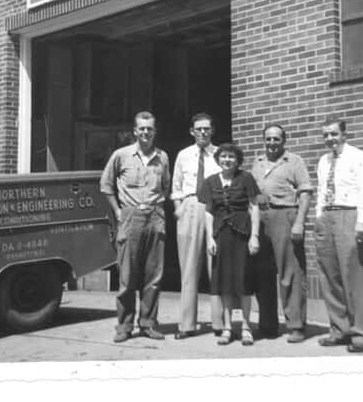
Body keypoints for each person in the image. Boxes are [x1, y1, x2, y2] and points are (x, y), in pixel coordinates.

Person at [100, 111, 171, 343]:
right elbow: (106, 185)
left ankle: (148, 323)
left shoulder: (163, 157)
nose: (146, 132)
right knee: (128, 276)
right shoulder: (121, 155)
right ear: (135, 131)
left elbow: (166, 187)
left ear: (155, 131)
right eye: (141, 128)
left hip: (155, 216)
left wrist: (157, 208)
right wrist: (119, 211)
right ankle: (124, 326)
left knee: (154, 276)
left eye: (149, 128)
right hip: (130, 217)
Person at [314, 117, 363, 353]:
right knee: (330, 275)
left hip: (350, 216)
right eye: (326, 135)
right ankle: (339, 330)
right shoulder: (323, 161)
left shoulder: (359, 157)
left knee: (356, 277)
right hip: (327, 218)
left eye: (334, 134)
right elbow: (322, 190)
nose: (330, 139)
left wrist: (362, 222)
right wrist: (319, 217)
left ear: (344, 134)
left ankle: (361, 334)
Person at [250, 123, 313, 343]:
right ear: (263, 140)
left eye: (276, 139)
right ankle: (267, 324)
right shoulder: (257, 163)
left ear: (283, 140)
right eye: (268, 138)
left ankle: (295, 324)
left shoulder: (294, 161)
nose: (272, 143)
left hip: (285, 216)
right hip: (261, 218)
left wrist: (300, 222)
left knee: (290, 273)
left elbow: (305, 192)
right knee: (263, 273)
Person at [198, 143, 261, 346]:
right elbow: (208, 211)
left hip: (242, 235)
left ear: (238, 160)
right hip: (220, 236)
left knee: (244, 281)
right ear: (218, 159)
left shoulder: (246, 178)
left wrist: (255, 236)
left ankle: (245, 326)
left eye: (231, 157)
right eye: (223, 156)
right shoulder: (210, 182)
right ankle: (227, 327)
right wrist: (210, 238)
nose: (227, 160)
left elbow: (255, 206)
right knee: (223, 282)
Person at [171, 113, 225, 339]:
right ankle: (186, 324)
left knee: (217, 266)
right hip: (190, 205)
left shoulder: (221, 154)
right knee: (189, 267)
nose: (203, 132)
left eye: (206, 129)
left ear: (212, 131)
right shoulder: (183, 155)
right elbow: (176, 186)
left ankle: (220, 323)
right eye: (198, 129)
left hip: (215, 208)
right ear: (192, 131)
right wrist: (178, 208)